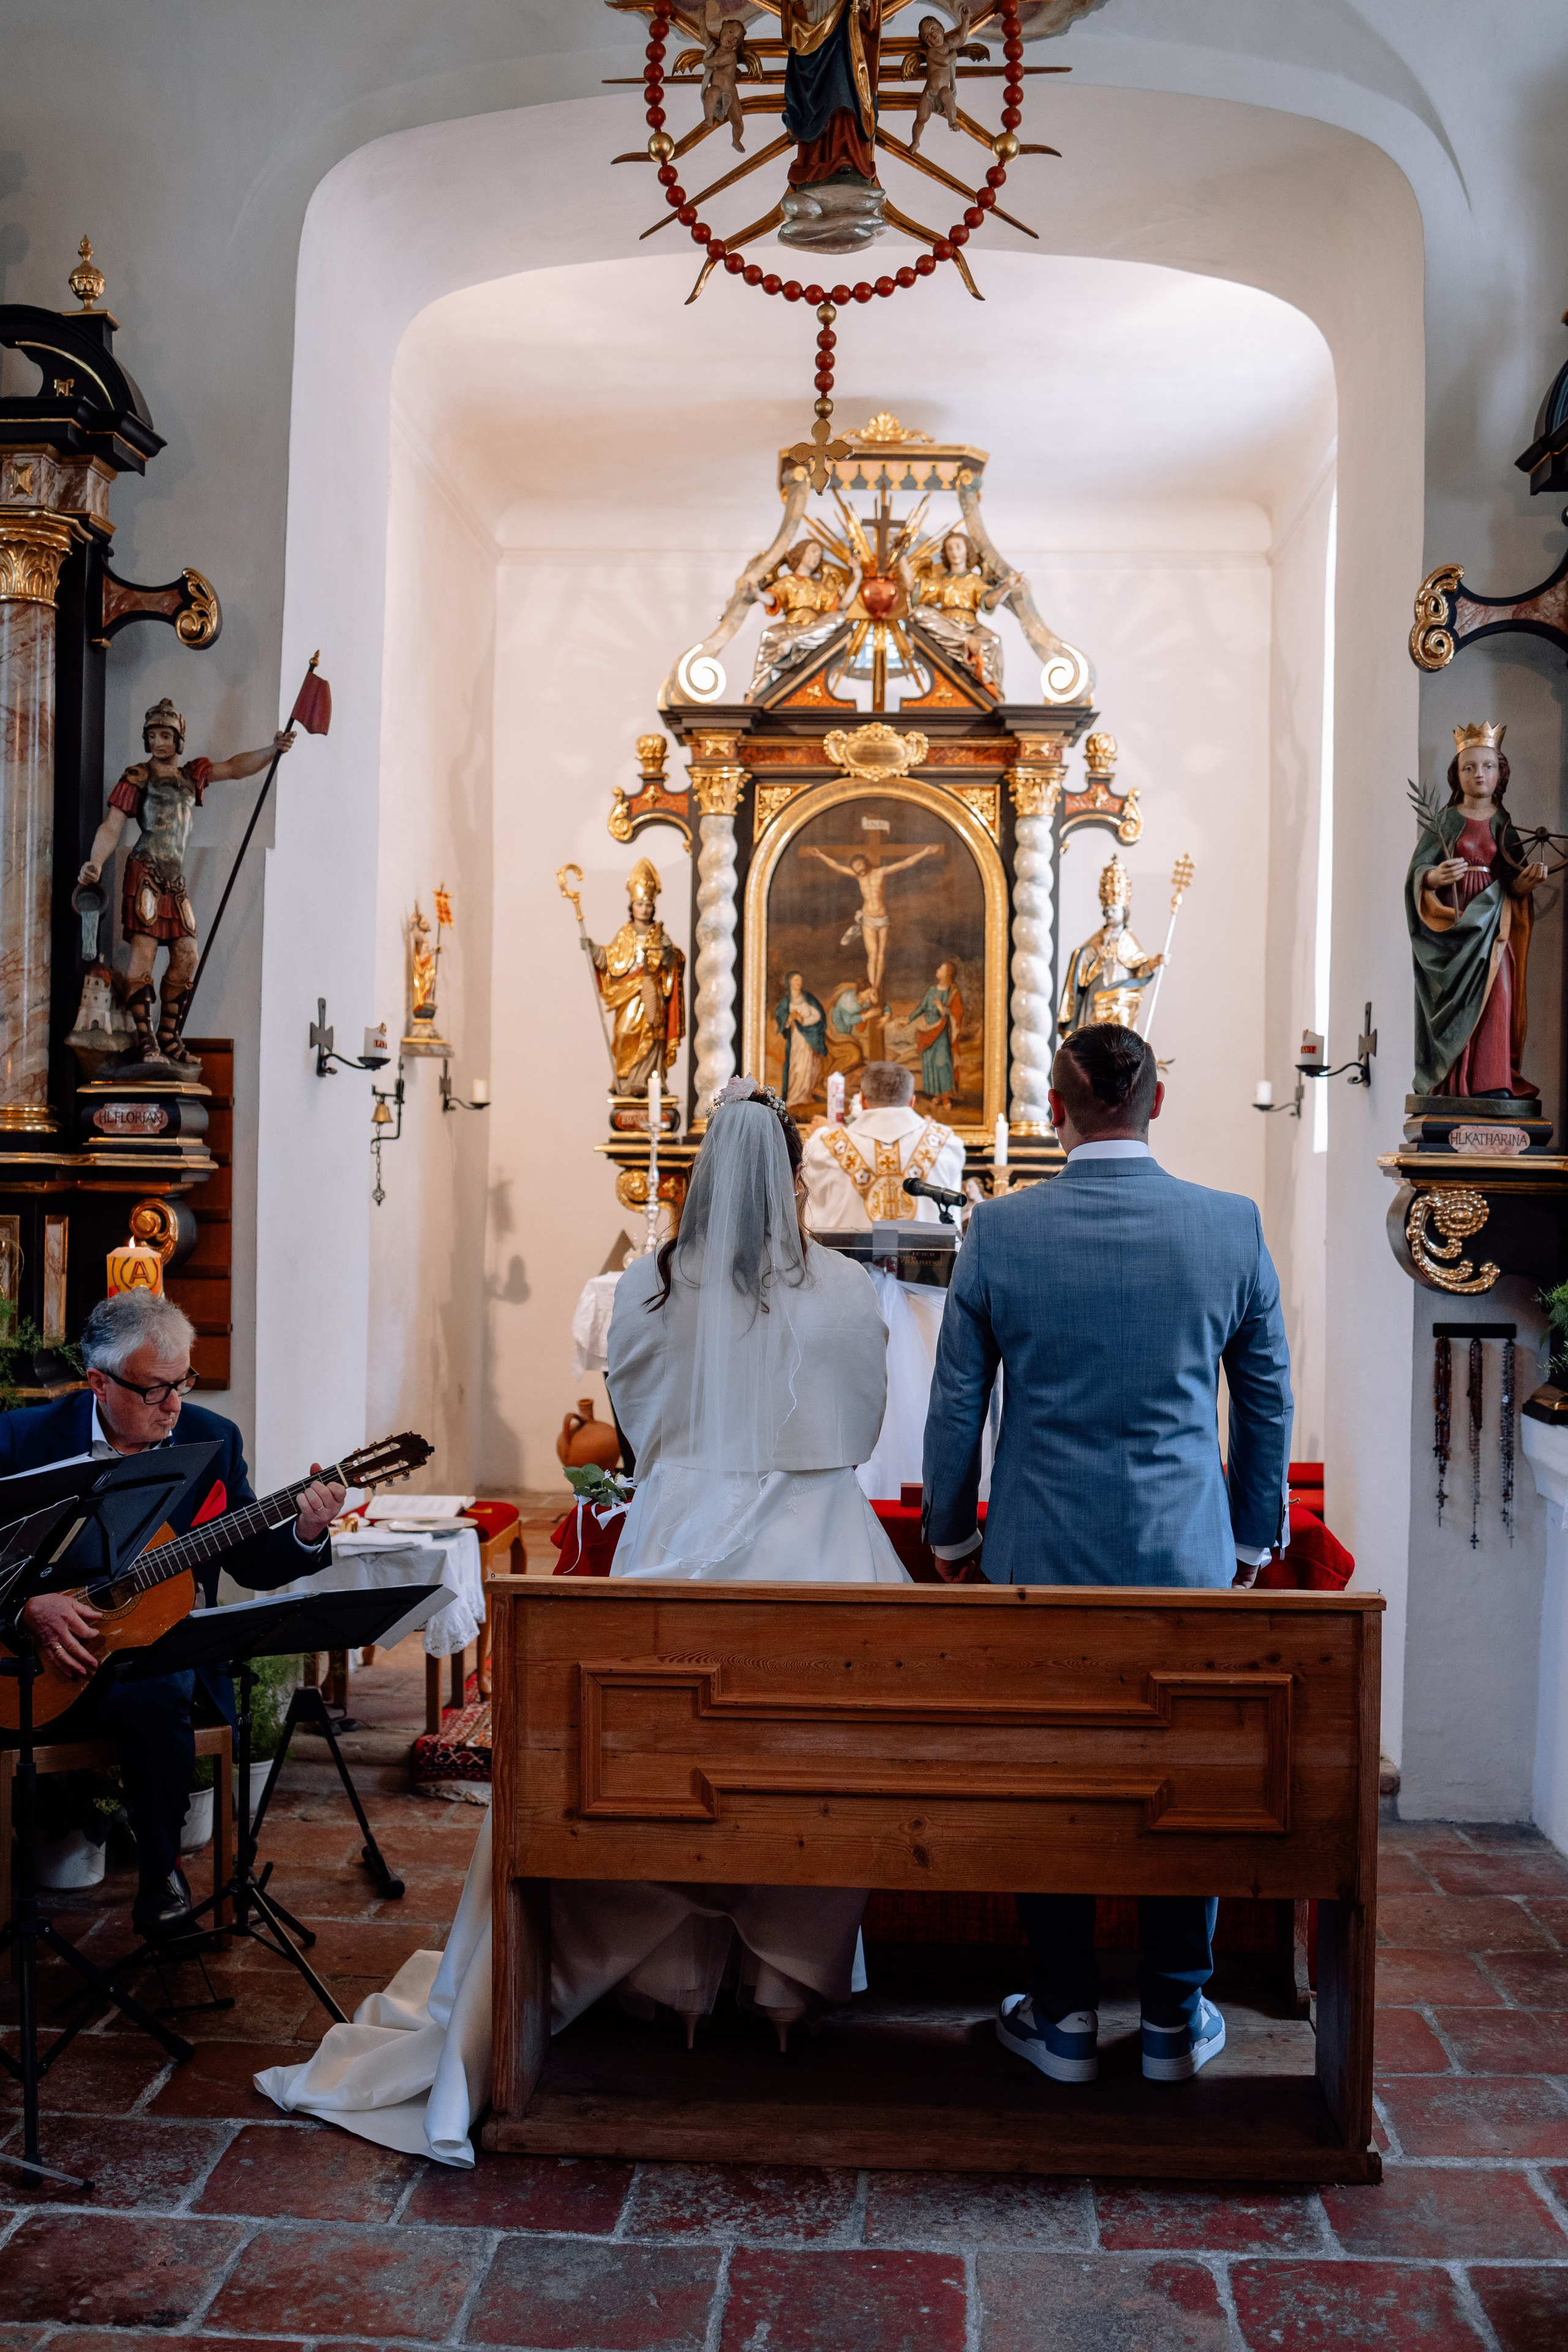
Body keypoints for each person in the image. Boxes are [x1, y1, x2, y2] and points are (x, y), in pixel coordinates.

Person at [257, 1080, 909, 2160]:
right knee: (822, 1762)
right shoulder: (850, 1288)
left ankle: (678, 1987)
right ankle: (790, 1987)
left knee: (654, 1766)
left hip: (680, 1539)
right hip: (819, 1548)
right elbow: (867, 1422)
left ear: (702, 1177)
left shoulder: (645, 1288)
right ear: (796, 1181)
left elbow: (641, 1428)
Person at [922, 1023, 1291, 2089]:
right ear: (1158, 1102)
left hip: (1041, 1556)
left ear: (1054, 1106)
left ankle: (1067, 2014)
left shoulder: (1000, 1231)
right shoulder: (1228, 1227)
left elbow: (958, 1408)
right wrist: (1253, 1537)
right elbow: (1264, 1396)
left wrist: (952, 1537)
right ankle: (1176, 2017)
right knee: (1186, 1778)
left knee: (1054, 1775)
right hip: (1184, 1556)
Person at [0, 1291, 344, 1938]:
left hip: (148, 1660)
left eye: (183, 1383)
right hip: (27, 1662)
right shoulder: (21, 1438)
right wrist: (29, 1605)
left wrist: (305, 1530)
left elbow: (252, 1562)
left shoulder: (211, 1440)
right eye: (156, 1391)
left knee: (157, 1689)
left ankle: (161, 1876)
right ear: (99, 1382)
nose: (175, 1406)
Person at [78, 697, 296, 1067]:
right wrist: (96, 862)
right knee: (143, 957)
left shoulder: (193, 775)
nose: (159, 742)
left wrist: (272, 749)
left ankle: (168, 1036)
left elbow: (236, 768)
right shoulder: (138, 776)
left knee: (186, 956)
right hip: (145, 871)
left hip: (174, 880)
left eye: (166, 735)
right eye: (153, 736)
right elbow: (113, 824)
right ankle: (146, 1040)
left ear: (179, 740)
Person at [1406, 721, 1547, 1097]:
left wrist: (1526, 883)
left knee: (1498, 993)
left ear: (1500, 773)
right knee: (1456, 1001)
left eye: (1487, 766)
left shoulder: (1503, 822)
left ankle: (1492, 1081)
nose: (1478, 775)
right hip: (1454, 926)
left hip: (1494, 925)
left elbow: (1512, 879)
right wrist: (1435, 876)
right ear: (1457, 775)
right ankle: (1453, 1084)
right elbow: (1417, 874)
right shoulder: (1447, 820)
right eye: (1469, 768)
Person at [801, 1057, 963, 1227]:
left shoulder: (824, 1146)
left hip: (844, 1254)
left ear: (863, 1101)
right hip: (931, 1254)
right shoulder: (946, 1143)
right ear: (912, 1102)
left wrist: (822, 1133)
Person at [1058, 855, 1163, 1036]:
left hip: (1121, 999)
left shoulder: (1128, 939)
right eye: (1107, 912)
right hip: (1098, 996)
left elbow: (1139, 968)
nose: (1110, 915)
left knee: (1121, 1040)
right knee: (1097, 1037)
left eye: (1114, 911)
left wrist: (1154, 963)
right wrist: (1100, 947)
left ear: (1124, 913)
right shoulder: (1099, 938)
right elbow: (1081, 962)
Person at [908, 957, 963, 1109]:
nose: (937, 970)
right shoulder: (932, 990)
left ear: (947, 975)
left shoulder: (953, 993)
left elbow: (956, 1014)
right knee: (930, 1063)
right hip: (927, 1030)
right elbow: (922, 1007)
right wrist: (908, 1020)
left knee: (942, 1063)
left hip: (941, 1033)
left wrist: (941, 1009)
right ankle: (938, 1095)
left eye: (941, 969)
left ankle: (946, 1097)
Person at [774, 970, 827, 1106]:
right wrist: (789, 1018)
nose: (799, 983)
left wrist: (803, 1020)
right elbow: (781, 1019)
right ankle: (794, 1096)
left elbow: (818, 1016)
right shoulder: (786, 1001)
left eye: (800, 980)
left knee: (808, 1066)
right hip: (796, 1037)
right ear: (790, 982)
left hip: (809, 1038)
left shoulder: (808, 998)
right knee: (796, 1065)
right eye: (796, 980)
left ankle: (805, 1095)